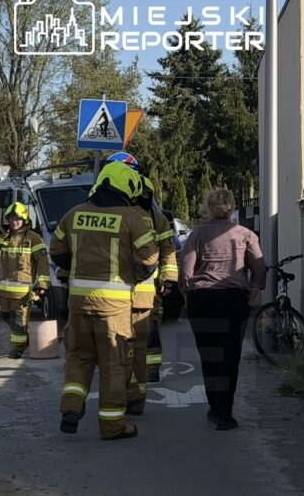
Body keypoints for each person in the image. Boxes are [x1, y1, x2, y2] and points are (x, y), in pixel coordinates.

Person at [49, 161, 159, 440]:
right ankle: (112, 426)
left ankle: (71, 408)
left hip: (78, 304)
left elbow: (57, 252)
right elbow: (149, 259)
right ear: (126, 188)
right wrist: (134, 274)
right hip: (115, 307)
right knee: (113, 364)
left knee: (78, 357)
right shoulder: (132, 217)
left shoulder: (74, 214)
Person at [178, 187, 266, 431]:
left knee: (209, 356)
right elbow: (259, 270)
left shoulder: (197, 235)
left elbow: (185, 273)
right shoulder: (246, 235)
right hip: (233, 301)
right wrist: (251, 296)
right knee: (230, 357)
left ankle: (214, 408)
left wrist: (188, 297)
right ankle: (225, 414)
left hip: (203, 300)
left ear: (209, 206)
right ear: (232, 207)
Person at [126, 175, 178, 416]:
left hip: (150, 286)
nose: (144, 199)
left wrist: (168, 279)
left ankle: (151, 369)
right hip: (123, 287)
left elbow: (168, 250)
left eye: (147, 196)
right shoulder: (125, 215)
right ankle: (128, 377)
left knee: (151, 329)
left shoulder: (158, 219)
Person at [0, 202, 49, 358]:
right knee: (6, 316)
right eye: (12, 219)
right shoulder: (5, 236)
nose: (14, 222)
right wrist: (0, 232)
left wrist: (42, 284)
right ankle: (21, 341)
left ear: (25, 219)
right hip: (5, 291)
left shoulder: (33, 238)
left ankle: (19, 348)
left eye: (18, 219)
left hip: (22, 292)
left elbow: (42, 262)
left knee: (18, 321)